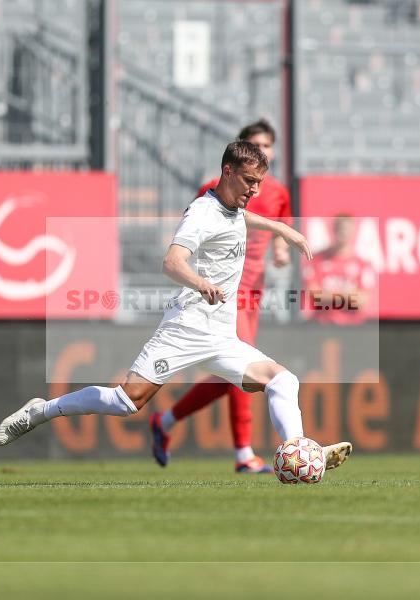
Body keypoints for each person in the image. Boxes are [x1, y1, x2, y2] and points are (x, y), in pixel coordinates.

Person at [0, 141, 352, 474]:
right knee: (125, 401)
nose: (254, 190)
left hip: (221, 336)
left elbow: (239, 220)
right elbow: (171, 262)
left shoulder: (232, 209)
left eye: (259, 183)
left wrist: (281, 229)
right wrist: (202, 284)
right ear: (226, 172)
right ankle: (41, 411)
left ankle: (298, 450)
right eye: (248, 181)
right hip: (186, 328)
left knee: (282, 380)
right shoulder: (201, 213)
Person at [149, 119, 292, 474]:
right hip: (228, 290)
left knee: (235, 374)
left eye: (268, 146)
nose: (263, 152)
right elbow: (204, 225)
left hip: (255, 290)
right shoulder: (214, 191)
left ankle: (166, 420)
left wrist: (280, 249)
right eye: (255, 145)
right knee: (249, 371)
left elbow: (278, 228)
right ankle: (244, 455)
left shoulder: (276, 192)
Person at [303, 215, 375, 325]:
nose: (343, 232)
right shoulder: (317, 260)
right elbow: (315, 296)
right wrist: (348, 297)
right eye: (340, 228)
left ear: (353, 231)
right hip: (323, 324)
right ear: (333, 229)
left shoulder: (363, 264)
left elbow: (361, 301)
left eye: (346, 229)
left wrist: (328, 296)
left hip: (352, 325)